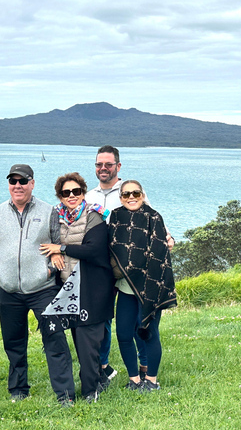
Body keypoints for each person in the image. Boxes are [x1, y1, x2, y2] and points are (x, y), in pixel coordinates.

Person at [0, 164, 76, 406]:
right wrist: (0, 271)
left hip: (43, 290)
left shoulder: (49, 211)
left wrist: (48, 269)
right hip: (9, 291)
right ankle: (18, 389)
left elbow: (59, 246)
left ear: (32, 183)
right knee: (13, 343)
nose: (17, 186)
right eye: (13, 181)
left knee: (55, 340)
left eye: (22, 181)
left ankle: (65, 394)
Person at [84, 145, 175, 384]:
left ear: (118, 166)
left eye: (108, 164)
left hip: (144, 281)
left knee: (144, 329)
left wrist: (169, 238)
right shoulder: (91, 198)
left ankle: (148, 374)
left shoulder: (144, 208)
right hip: (112, 275)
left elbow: (158, 231)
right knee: (114, 326)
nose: (103, 168)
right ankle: (115, 370)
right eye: (99, 164)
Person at [39, 173, 114, 403]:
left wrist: (60, 247)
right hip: (68, 289)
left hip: (94, 288)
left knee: (88, 343)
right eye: (66, 192)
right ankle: (100, 379)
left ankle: (91, 391)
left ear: (83, 192)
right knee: (77, 338)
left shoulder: (94, 216)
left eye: (76, 191)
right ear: (60, 196)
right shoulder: (57, 218)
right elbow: (43, 242)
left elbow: (94, 250)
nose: (71, 196)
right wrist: (53, 251)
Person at [108, 180, 177, 392]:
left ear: (142, 195)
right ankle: (135, 379)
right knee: (123, 334)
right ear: (120, 197)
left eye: (135, 193)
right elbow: (112, 248)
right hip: (126, 288)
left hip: (149, 288)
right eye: (126, 194)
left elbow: (159, 255)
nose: (131, 197)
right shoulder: (116, 216)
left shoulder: (154, 217)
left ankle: (152, 380)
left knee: (149, 333)